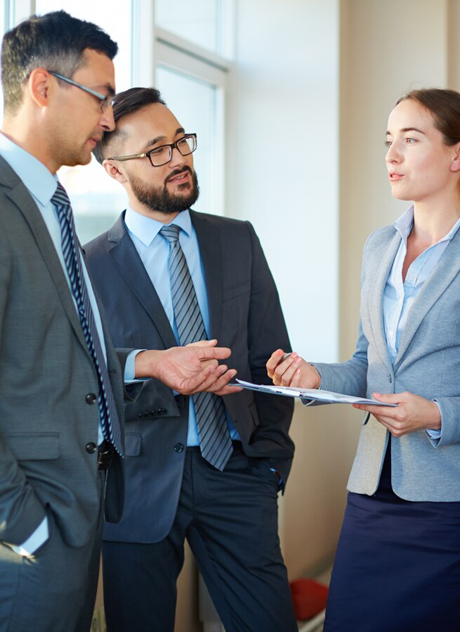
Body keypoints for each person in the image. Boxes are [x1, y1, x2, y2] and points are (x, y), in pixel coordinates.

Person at [267, 88, 460, 631]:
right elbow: (368, 364)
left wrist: (435, 414)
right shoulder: (379, 247)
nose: (391, 155)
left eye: (409, 140)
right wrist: (316, 376)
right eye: (389, 141)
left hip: (454, 502)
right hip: (372, 492)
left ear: (458, 155)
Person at [0, 12, 233, 632]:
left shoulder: (51, 204)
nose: (109, 119)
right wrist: (25, 525)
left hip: (79, 516)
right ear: (43, 88)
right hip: (30, 534)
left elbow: (55, 352)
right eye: (101, 97)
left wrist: (149, 363)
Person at [84, 87, 296, 632]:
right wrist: (150, 363)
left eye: (181, 141)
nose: (179, 158)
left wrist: (268, 461)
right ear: (115, 171)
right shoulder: (89, 265)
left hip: (238, 471)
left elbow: (272, 352)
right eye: (157, 150)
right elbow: (84, 372)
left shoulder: (237, 240)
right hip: (137, 482)